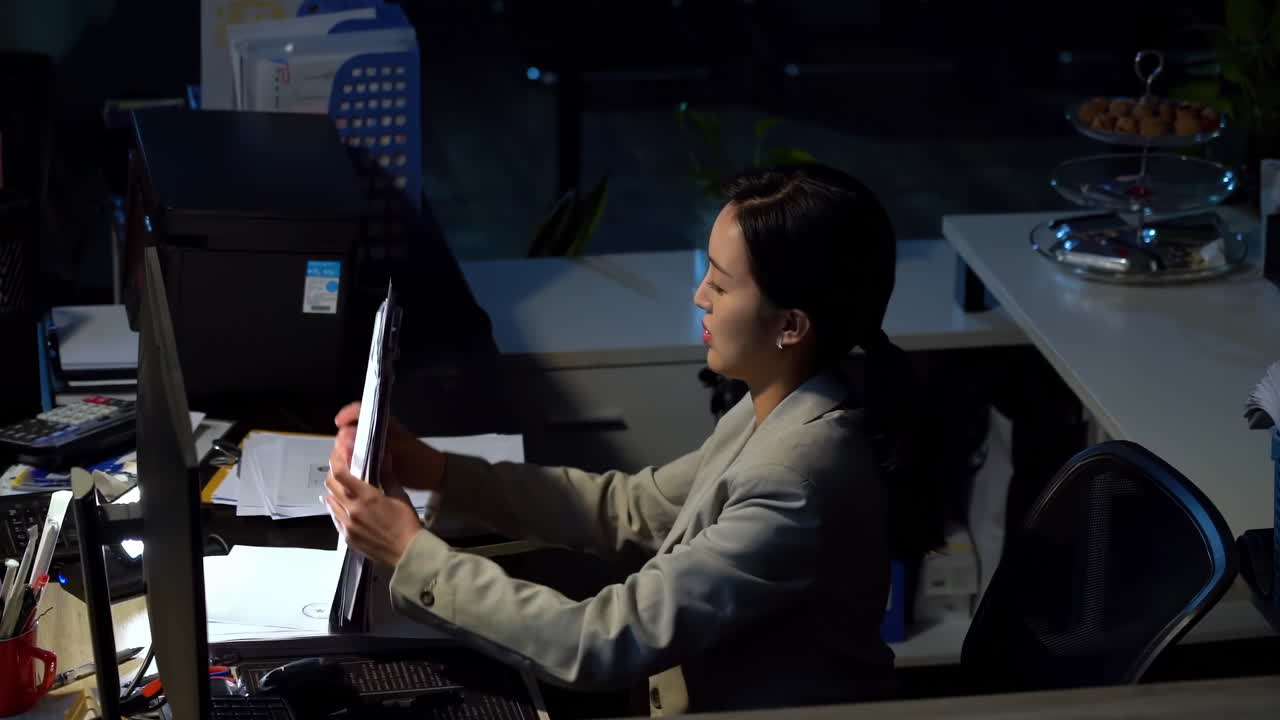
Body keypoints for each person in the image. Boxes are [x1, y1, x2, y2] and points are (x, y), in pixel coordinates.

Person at [324, 163, 921, 714]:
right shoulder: (779, 404)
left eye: (720, 284)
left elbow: (599, 642)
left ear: (791, 325)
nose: (699, 297)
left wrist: (409, 552)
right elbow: (631, 508)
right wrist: (439, 470)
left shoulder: (795, 480)